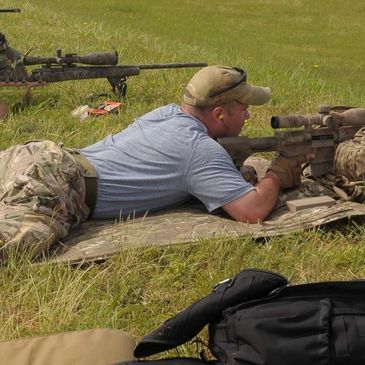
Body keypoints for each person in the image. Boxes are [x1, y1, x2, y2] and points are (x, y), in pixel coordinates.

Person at [0, 65, 304, 259]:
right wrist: (277, 173)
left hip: (41, 155)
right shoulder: (199, 151)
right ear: (219, 114)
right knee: (13, 249)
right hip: (58, 190)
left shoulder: (166, 113)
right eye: (244, 108)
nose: (249, 115)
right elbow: (251, 212)